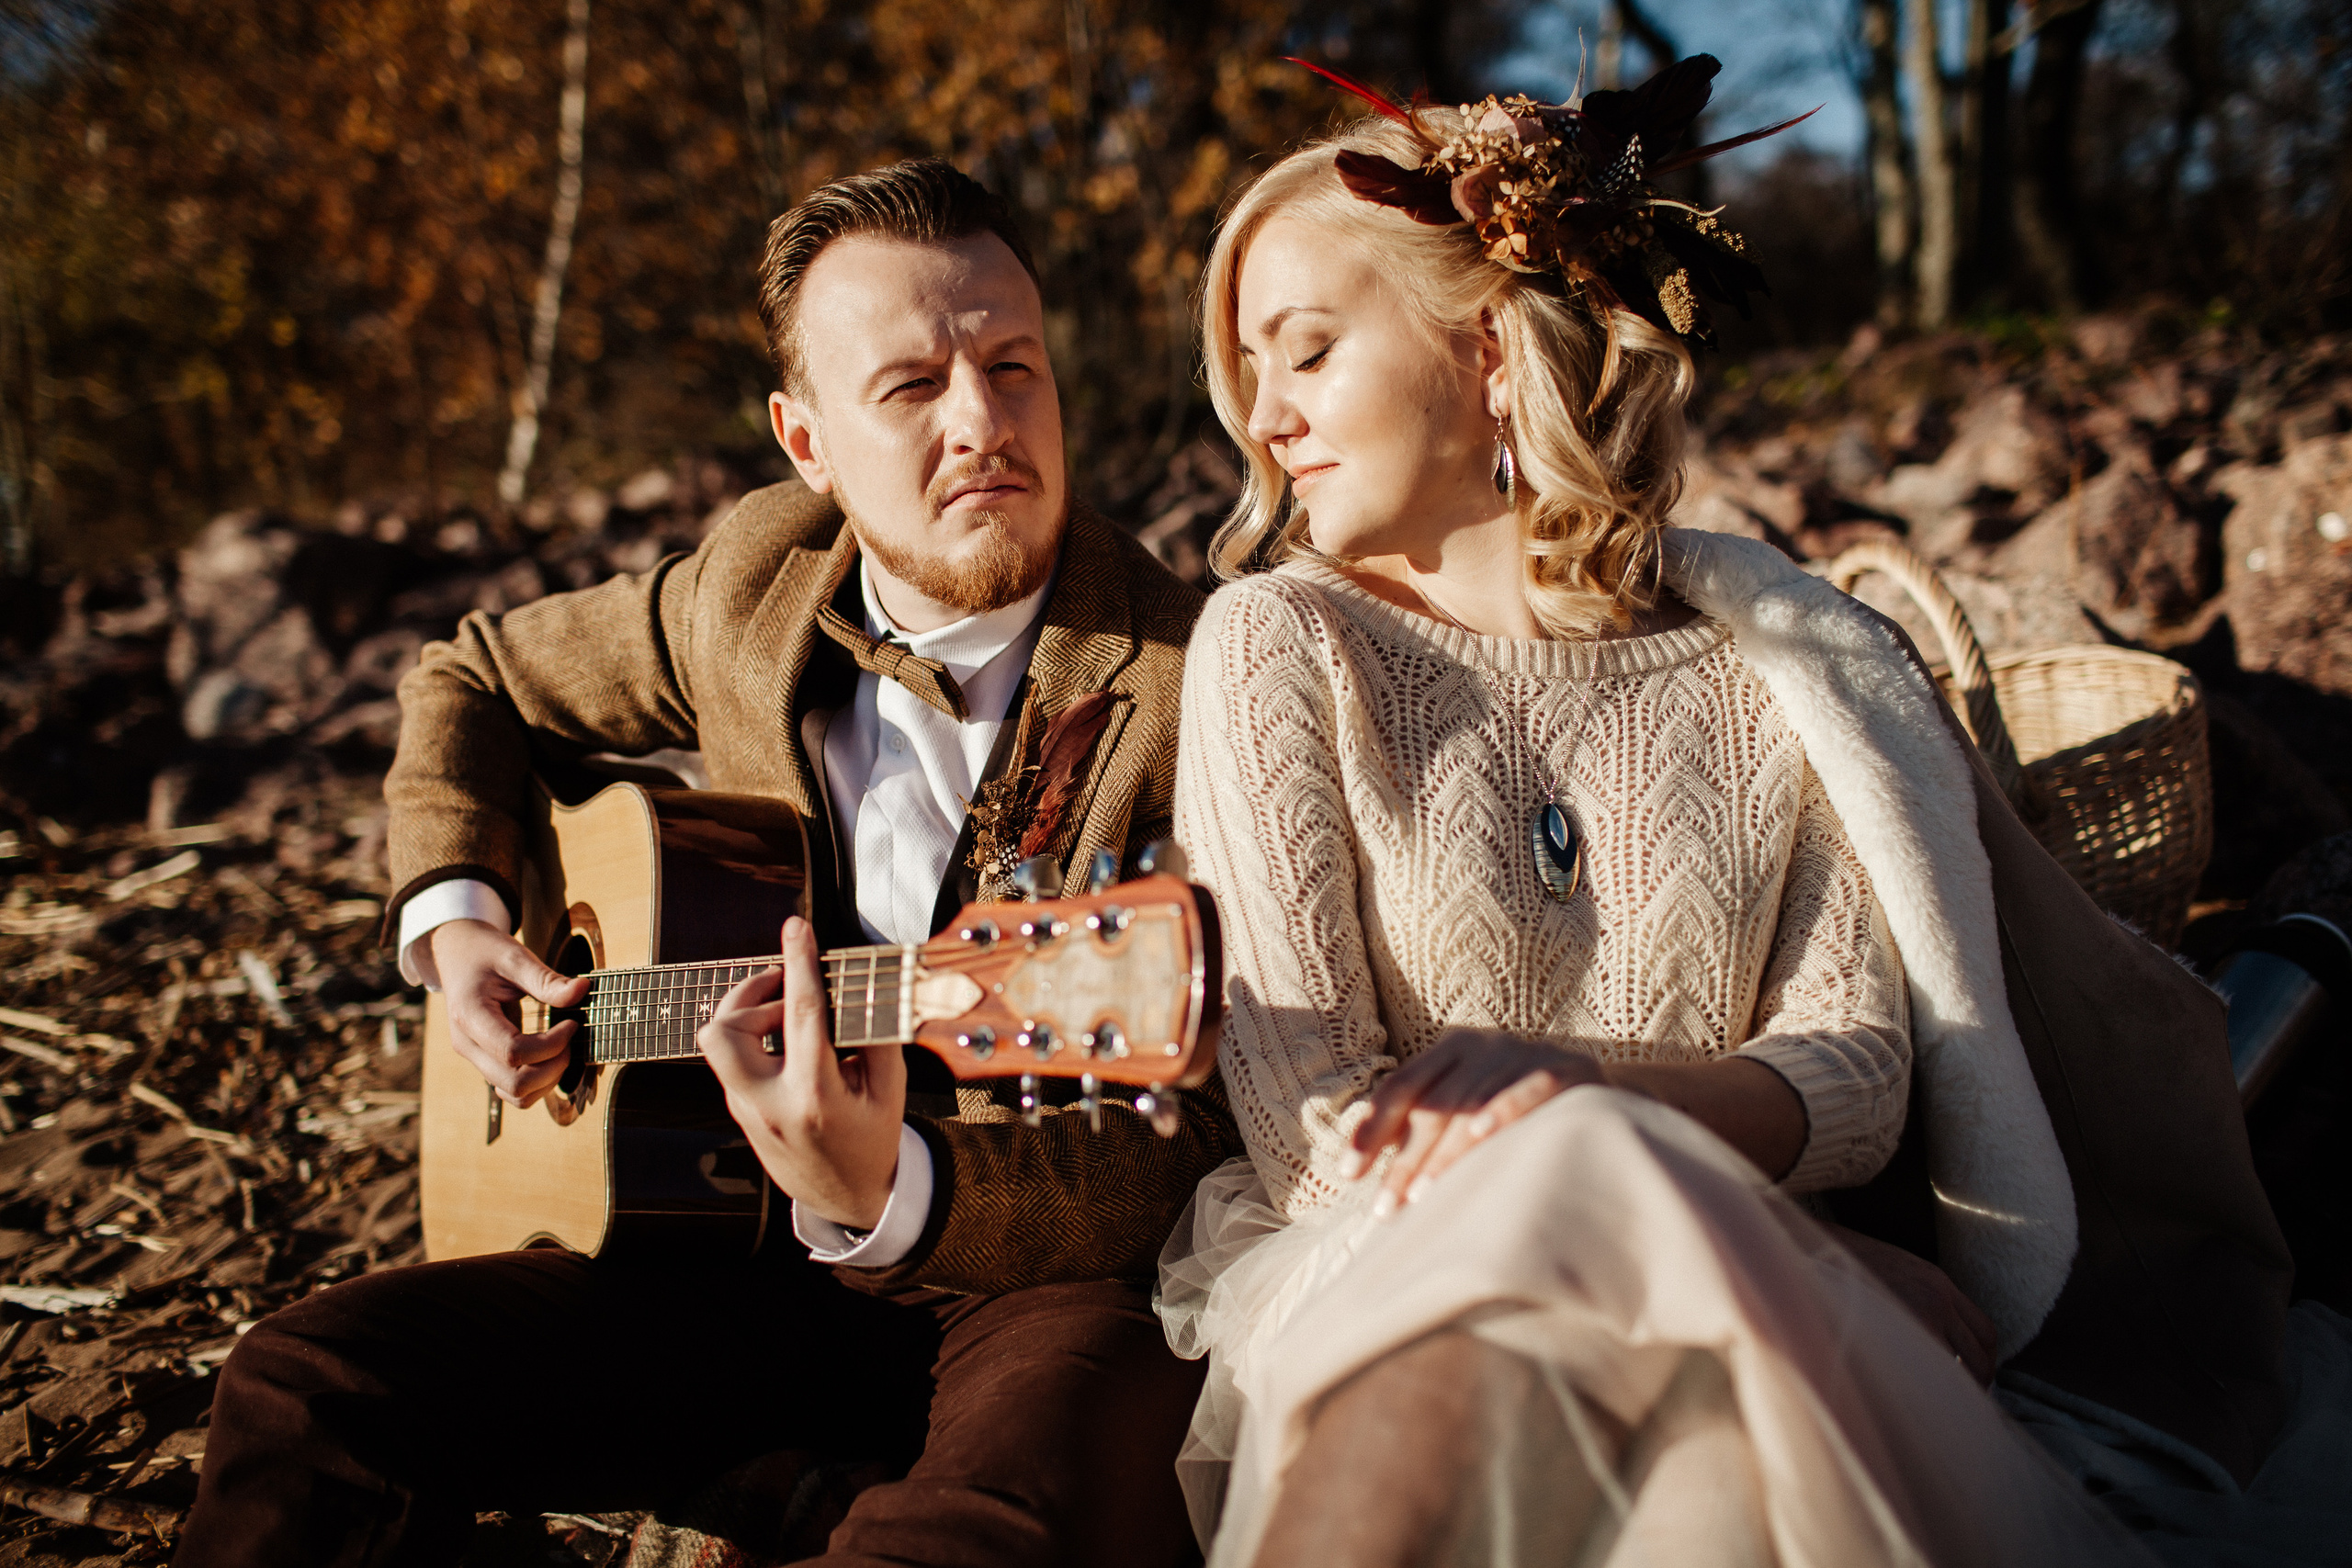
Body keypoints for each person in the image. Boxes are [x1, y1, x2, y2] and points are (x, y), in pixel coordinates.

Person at [1156, 58, 2302, 1568]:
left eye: (1306, 353)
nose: (1264, 421)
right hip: (1390, 1287)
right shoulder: (1278, 645)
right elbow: (1320, 1139)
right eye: (1248, 373)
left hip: (1731, 1282)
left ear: (1490, 350)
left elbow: (1855, 1077)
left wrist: (1590, 1104)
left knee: (1716, 1484)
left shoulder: (1768, 665)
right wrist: (1684, 1192)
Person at [175, 159, 1240, 1568]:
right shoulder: (756, 581)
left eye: (1013, 366)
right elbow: (474, 676)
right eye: (911, 387)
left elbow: (1198, 1141)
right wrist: (458, 923)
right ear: (807, 443)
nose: (982, 423)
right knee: (303, 1389)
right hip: (710, 1255)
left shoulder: (1199, 677)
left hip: (1033, 1276)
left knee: (982, 1539)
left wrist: (894, 1190)